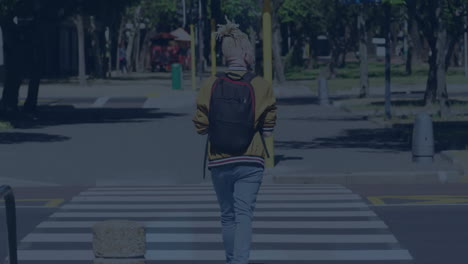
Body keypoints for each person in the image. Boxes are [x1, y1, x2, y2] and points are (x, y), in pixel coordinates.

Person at [192, 17, 277, 264]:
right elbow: (269, 122)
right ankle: (240, 261)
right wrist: (266, 129)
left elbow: (200, 125)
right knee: (244, 215)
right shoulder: (261, 85)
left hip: (219, 160)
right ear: (248, 54)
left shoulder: (210, 84)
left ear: (224, 55)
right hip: (250, 159)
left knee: (227, 216)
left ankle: (232, 260)